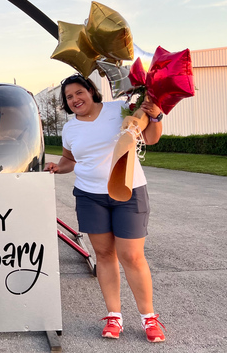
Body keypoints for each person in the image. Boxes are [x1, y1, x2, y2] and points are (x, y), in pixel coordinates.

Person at [44, 73, 166, 343]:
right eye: (69, 97)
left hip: (128, 191)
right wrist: (57, 167)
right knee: (104, 255)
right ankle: (114, 316)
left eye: (79, 92)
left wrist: (155, 115)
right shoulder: (70, 129)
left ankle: (149, 318)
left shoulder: (118, 109)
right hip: (90, 196)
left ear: (91, 90)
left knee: (131, 256)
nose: (75, 99)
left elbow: (151, 137)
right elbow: (69, 160)